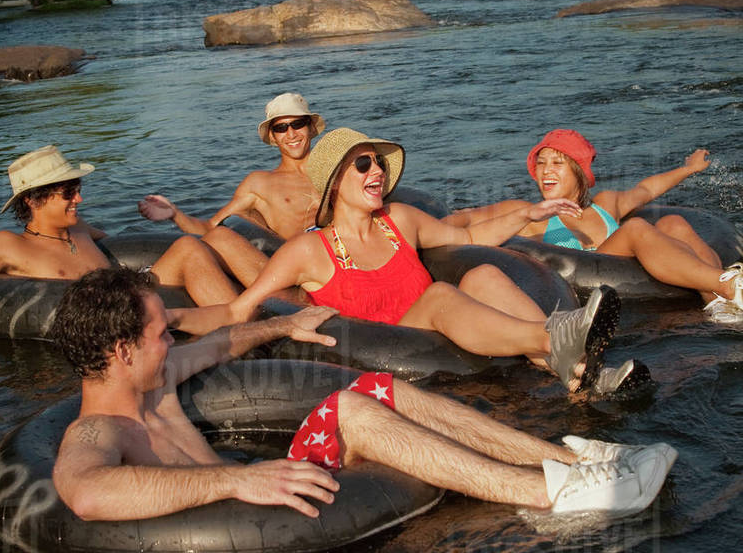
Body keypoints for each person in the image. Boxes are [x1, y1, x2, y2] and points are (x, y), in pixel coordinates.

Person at [52, 267, 677, 522]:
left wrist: (279, 324)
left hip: (267, 491)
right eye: (162, 332)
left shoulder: (155, 379)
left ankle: (572, 460)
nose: (172, 338)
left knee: (376, 387)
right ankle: (549, 497)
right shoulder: (96, 432)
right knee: (349, 407)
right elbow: (85, 492)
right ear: (122, 351)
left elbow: (221, 343)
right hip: (244, 513)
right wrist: (233, 481)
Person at [225, 128, 635, 394]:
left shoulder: (398, 220)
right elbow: (244, 308)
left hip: (435, 330)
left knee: (484, 274)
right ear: (334, 182)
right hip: (387, 352)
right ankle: (554, 338)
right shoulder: (306, 251)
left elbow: (469, 237)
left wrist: (527, 214)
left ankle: (585, 376)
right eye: (363, 164)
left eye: (379, 163)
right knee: (440, 294)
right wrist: (177, 328)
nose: (378, 172)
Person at [446, 129, 743, 320]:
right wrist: (436, 224)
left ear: (578, 172)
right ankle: (729, 285)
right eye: (541, 163)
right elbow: (468, 217)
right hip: (591, 291)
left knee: (675, 223)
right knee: (636, 229)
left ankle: (720, 303)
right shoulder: (529, 213)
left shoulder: (605, 205)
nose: (546, 171)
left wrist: (688, 169)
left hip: (637, 272)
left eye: (557, 163)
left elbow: (646, 190)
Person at [0, 145, 242, 335]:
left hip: (137, 298)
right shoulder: (8, 246)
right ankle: (243, 330)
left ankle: (246, 322)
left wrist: (172, 216)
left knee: (191, 245)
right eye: (68, 193)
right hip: (102, 329)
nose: (79, 198)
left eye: (77, 188)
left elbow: (129, 251)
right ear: (34, 201)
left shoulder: (79, 229)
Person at [137, 92, 325, 285]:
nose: (291, 134)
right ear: (273, 136)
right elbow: (210, 228)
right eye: (281, 128)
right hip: (305, 269)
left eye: (298, 124)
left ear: (310, 127)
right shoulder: (259, 183)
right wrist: (174, 214)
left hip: (344, 257)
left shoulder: (335, 169)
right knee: (218, 237)